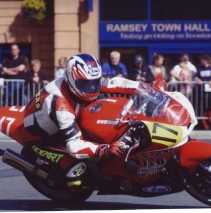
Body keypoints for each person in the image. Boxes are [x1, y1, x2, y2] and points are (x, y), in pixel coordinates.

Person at [21, 53, 143, 190]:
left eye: (95, 82)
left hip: (61, 124)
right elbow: (74, 146)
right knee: (77, 173)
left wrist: (145, 88)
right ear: (72, 80)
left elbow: (117, 83)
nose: (92, 88)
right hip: (42, 139)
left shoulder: (87, 80)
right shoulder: (61, 104)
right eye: (85, 84)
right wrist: (104, 149)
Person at [193, 54, 211, 130]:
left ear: (206, 60)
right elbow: (195, 77)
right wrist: (197, 80)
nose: (201, 61)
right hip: (202, 93)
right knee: (203, 109)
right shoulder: (200, 68)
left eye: (202, 59)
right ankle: (203, 125)